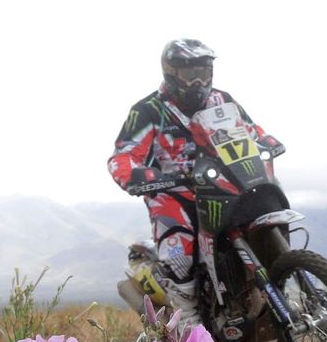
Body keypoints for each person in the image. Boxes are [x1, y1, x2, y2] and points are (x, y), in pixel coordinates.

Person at [108, 39, 282, 326]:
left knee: (264, 217)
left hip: (226, 185)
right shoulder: (149, 110)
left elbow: (249, 131)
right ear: (171, 72)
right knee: (181, 253)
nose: (199, 81)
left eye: (205, 71)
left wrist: (265, 141)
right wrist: (138, 174)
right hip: (173, 191)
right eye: (191, 74)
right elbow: (124, 155)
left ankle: (282, 287)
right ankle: (188, 323)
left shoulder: (223, 101)